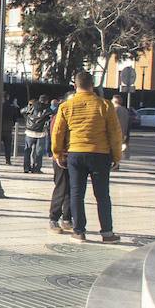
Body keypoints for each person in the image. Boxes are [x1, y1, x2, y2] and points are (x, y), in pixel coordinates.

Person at [53, 72, 122, 242]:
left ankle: (79, 231)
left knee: (76, 193)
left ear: (75, 86)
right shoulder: (105, 105)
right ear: (93, 85)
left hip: (75, 153)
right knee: (102, 195)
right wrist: (116, 156)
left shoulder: (66, 106)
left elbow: (58, 133)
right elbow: (115, 133)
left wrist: (57, 153)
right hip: (100, 153)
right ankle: (107, 232)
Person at [47, 106, 73, 233]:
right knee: (61, 188)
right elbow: (55, 135)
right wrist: (58, 154)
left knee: (72, 189)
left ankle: (67, 218)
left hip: (74, 156)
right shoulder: (58, 117)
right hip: (61, 157)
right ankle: (54, 218)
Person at [22, 95, 50, 173]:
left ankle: (26, 168)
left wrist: (27, 118)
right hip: (40, 133)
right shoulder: (47, 109)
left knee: (27, 151)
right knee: (39, 152)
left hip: (29, 131)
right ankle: (37, 168)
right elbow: (52, 114)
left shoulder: (32, 106)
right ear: (46, 101)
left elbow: (22, 111)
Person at [111, 94, 131, 166]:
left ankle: (114, 164)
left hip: (114, 132)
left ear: (114, 101)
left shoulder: (114, 109)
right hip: (123, 133)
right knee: (118, 150)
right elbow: (128, 123)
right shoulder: (125, 110)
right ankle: (117, 164)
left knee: (112, 150)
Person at [0, 93, 19, 165]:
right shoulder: (11, 107)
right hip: (8, 129)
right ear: (7, 97)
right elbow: (15, 118)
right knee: (8, 146)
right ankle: (8, 160)